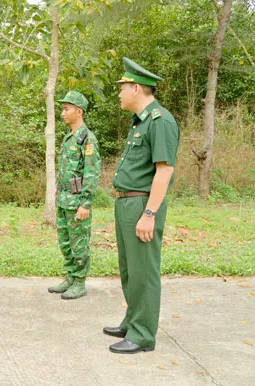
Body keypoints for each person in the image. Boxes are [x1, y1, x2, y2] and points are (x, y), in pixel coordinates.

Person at [104, 57, 180, 354]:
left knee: (143, 271)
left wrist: (149, 213)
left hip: (142, 204)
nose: (119, 93)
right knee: (129, 269)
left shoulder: (160, 121)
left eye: (122, 88)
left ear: (136, 88)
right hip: (127, 203)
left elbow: (164, 170)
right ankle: (133, 321)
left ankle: (143, 334)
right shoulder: (140, 121)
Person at [48, 91, 101, 300]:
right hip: (64, 200)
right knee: (65, 242)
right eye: (62, 109)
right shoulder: (69, 137)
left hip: (77, 201)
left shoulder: (87, 139)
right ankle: (70, 277)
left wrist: (85, 203)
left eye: (66, 109)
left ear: (79, 112)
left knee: (79, 243)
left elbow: (91, 173)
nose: (62, 113)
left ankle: (79, 282)